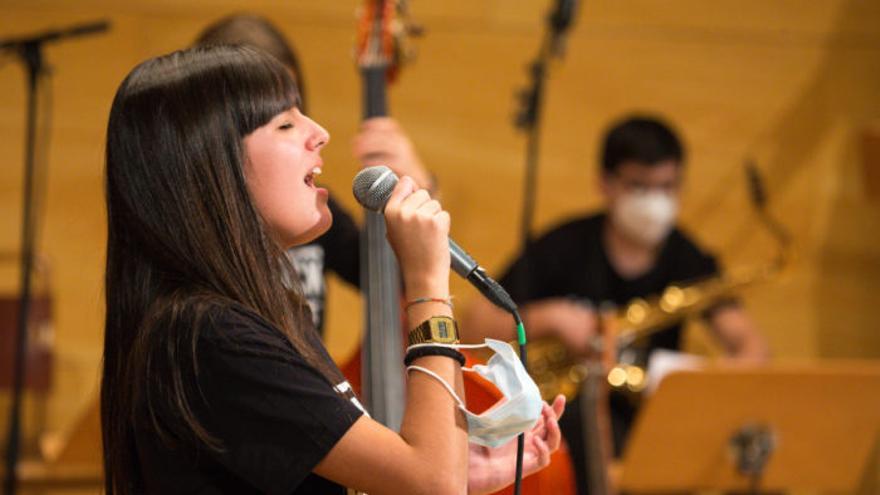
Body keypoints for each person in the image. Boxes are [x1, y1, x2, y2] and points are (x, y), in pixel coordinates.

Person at [100, 45, 564, 495]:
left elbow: (413, 481)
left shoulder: (267, 311)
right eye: (285, 123)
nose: (319, 132)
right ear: (212, 169)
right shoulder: (207, 334)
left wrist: (444, 472)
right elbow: (432, 487)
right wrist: (427, 286)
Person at [463, 115, 769, 494]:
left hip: (653, 424)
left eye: (667, 187)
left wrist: (709, 391)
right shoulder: (565, 245)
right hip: (566, 415)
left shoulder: (688, 257)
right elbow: (476, 324)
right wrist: (552, 316)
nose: (655, 202)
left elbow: (751, 347)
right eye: (640, 187)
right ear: (605, 184)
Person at [195, 14, 434, 334]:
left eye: (299, 110)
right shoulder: (190, 238)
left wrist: (418, 191)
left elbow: (394, 280)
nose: (318, 133)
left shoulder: (316, 213)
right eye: (283, 123)